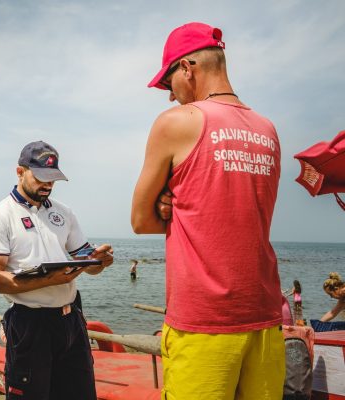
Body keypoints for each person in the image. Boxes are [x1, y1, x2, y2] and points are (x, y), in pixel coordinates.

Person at [131, 22, 285, 399]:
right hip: (265, 314)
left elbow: (140, 221)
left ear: (187, 67)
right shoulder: (268, 129)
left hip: (203, 321)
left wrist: (168, 206)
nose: (169, 97)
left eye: (168, 84)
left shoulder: (176, 123)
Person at [0, 140, 114, 400]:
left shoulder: (64, 213)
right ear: (20, 172)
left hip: (71, 320)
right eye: (41, 177)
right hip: (30, 323)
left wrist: (98, 260)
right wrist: (49, 280)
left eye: (53, 179)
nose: (48, 185)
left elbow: (85, 262)